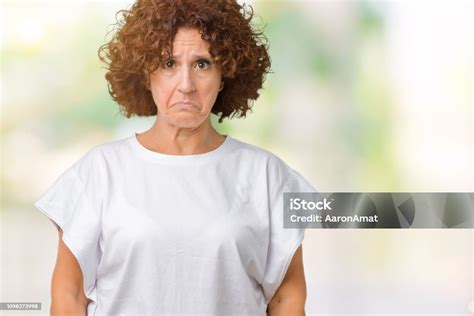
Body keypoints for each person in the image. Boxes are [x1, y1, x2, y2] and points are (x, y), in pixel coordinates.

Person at [34, 0, 316, 315]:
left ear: (225, 75)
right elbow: (69, 296)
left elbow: (285, 299)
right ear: (145, 74)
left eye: (202, 64)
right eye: (169, 64)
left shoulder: (266, 175)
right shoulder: (99, 172)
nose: (186, 86)